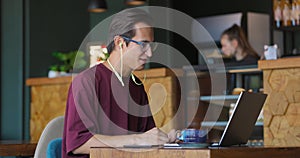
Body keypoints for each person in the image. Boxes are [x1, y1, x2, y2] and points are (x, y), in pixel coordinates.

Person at [62, 8, 176, 158]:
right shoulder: (86, 82)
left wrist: (165, 139)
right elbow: (79, 144)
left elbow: (145, 138)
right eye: (143, 44)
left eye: (151, 46)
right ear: (120, 42)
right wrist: (137, 140)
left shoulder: (137, 86)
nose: (150, 53)